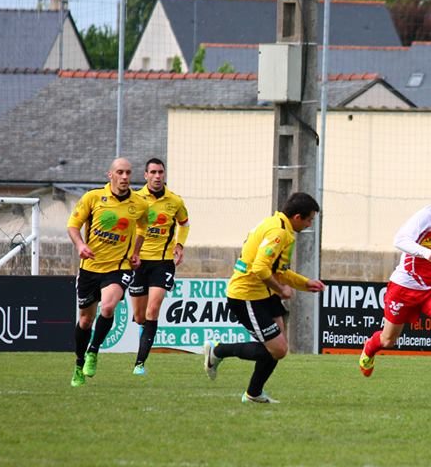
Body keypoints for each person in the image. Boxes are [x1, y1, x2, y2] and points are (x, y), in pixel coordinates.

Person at [202, 192, 325, 403]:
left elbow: (278, 270)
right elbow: (260, 268)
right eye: (309, 219)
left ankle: (253, 393)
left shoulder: (278, 224)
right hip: (247, 295)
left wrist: (305, 283)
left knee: (279, 348)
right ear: (297, 217)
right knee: (277, 349)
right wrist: (282, 289)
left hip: (263, 293)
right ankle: (218, 349)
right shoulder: (278, 232)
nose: (309, 224)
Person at [358, 176, 431, 392]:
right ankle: (369, 348)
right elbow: (399, 240)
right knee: (388, 340)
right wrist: (425, 252)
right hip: (405, 287)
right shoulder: (425, 218)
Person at [67, 157, 150, 387]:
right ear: (110, 175)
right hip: (90, 269)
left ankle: (94, 351)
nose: (125, 177)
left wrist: (136, 251)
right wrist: (81, 245)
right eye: (120, 172)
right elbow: (72, 226)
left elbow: (144, 225)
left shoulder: (139, 204)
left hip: (119, 267)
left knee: (109, 305)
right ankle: (78, 363)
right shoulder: (93, 198)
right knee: (85, 321)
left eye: (128, 173)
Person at [128, 158, 190, 376]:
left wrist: (180, 245)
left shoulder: (174, 201)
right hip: (138, 262)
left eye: (160, 172)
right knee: (139, 316)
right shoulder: (135, 199)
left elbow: (184, 223)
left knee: (153, 310)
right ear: (145, 175)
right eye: (152, 172)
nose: (157, 176)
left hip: (163, 262)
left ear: (164, 175)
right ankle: (142, 343)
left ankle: (139, 364)